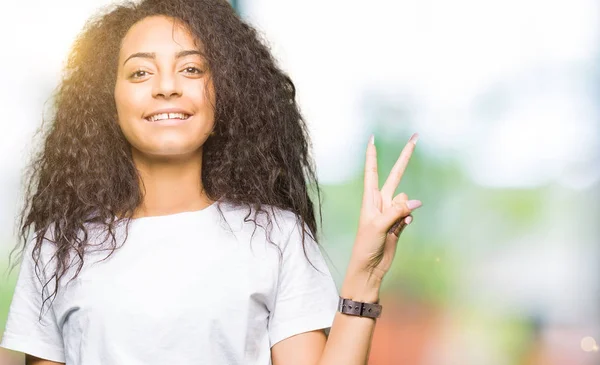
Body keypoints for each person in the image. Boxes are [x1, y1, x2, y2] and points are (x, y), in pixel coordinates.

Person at [0, 0, 422, 364]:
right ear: (107, 100)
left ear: (225, 92)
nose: (167, 87)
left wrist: (365, 276)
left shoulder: (277, 237)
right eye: (140, 73)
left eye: (191, 69)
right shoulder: (57, 246)